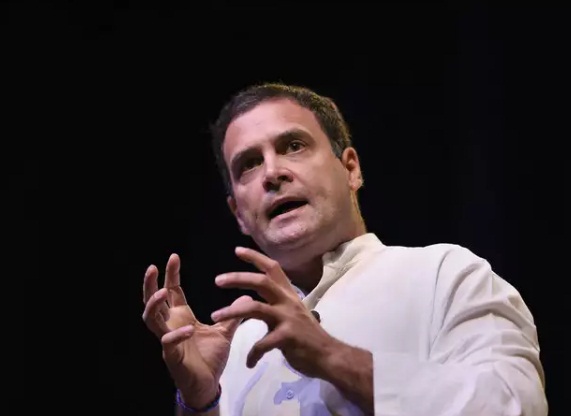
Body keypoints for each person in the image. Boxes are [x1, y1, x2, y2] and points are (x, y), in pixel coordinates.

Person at [142, 83, 547, 415]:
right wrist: (200, 402)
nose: (272, 173)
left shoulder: (445, 274)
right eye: (249, 164)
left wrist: (329, 356)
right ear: (238, 215)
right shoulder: (236, 348)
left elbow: (516, 406)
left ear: (350, 168)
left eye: (293, 145)